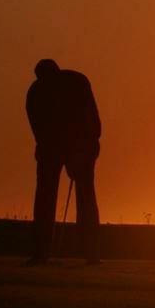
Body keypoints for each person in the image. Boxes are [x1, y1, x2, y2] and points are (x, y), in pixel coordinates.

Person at [25, 59, 101, 265]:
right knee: (49, 195)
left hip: (79, 146)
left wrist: (88, 147)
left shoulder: (74, 83)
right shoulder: (37, 93)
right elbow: (39, 130)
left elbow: (91, 118)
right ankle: (43, 252)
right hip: (55, 148)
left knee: (80, 195)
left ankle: (89, 252)